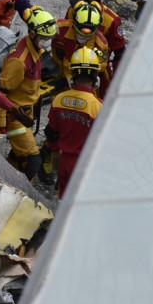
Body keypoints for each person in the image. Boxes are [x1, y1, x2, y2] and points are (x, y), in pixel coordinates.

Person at [0, 8, 58, 182]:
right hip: (15, 117)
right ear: (32, 33)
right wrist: (1, 128)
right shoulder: (19, 60)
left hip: (26, 112)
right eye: (44, 38)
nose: (47, 42)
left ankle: (2, 180)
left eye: (49, 39)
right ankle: (19, 189)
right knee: (33, 161)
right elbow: (0, 94)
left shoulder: (35, 49)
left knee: (18, 158)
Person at [44, 47, 103, 198]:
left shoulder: (59, 99)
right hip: (86, 167)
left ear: (73, 74)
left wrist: (55, 160)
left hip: (64, 163)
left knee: (63, 204)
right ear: (96, 75)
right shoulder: (98, 107)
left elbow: (51, 133)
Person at [65, 0, 126, 72]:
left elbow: (120, 53)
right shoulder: (72, 11)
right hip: (71, 67)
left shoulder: (111, 20)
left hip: (97, 73)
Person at [51, 0, 110, 89]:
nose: (83, 35)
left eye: (88, 35)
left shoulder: (101, 44)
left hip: (81, 85)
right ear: (74, 21)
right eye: (80, 33)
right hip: (54, 79)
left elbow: (101, 66)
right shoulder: (59, 28)